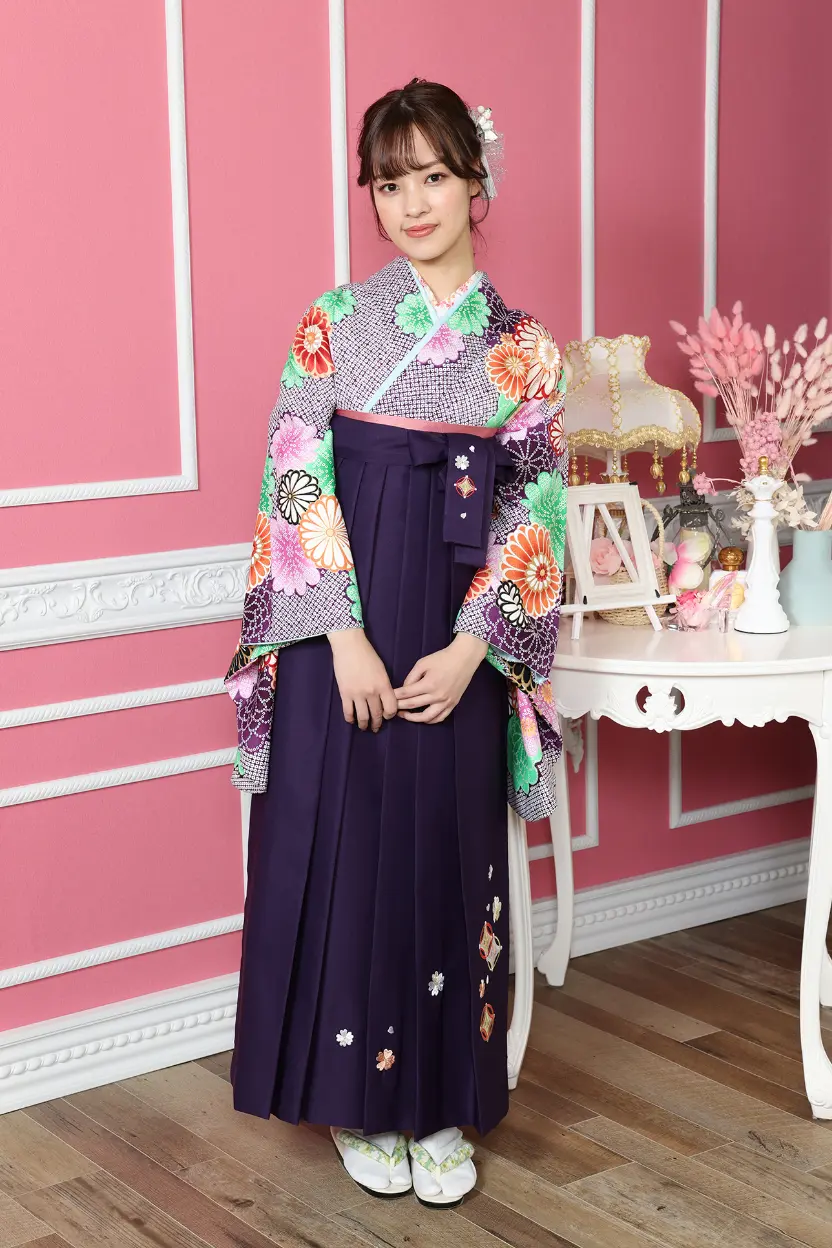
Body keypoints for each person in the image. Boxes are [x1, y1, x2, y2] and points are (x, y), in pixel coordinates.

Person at [224, 77, 567, 1208]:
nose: (411, 204)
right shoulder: (334, 319)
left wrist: (474, 649)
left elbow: (534, 510)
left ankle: (441, 1103)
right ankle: (358, 1105)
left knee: (447, 857)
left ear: (476, 180)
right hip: (345, 632)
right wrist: (340, 637)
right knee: (348, 852)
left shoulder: (524, 351)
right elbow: (294, 469)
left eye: (432, 175)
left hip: (457, 635)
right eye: (387, 183)